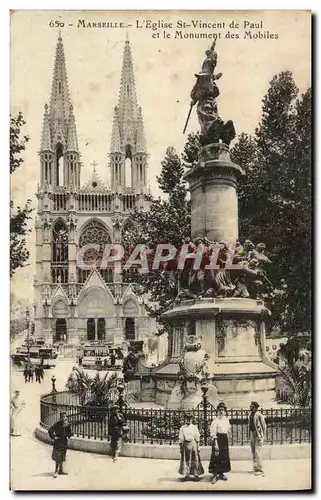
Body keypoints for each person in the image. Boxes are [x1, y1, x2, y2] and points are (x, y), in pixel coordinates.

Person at [209, 402, 231, 483]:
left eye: (222, 410)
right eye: (219, 410)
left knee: (223, 456)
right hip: (218, 439)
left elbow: (228, 429)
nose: (221, 411)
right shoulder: (215, 421)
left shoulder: (226, 420)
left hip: (224, 439)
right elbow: (213, 433)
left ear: (225, 412)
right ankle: (215, 475)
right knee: (216, 457)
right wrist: (215, 443)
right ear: (217, 411)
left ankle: (221, 473)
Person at [178, 413, 204, 481]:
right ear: (185, 419)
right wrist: (181, 448)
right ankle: (187, 474)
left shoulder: (194, 427)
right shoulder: (182, 428)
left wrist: (198, 447)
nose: (188, 420)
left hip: (193, 444)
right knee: (186, 460)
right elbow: (181, 439)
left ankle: (196, 474)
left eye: (190, 418)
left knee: (195, 459)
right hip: (186, 445)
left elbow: (197, 437)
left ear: (192, 419)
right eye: (187, 418)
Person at [48, 412, 73, 478]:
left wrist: (68, 436)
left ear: (66, 417)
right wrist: (53, 437)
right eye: (62, 417)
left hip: (64, 442)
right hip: (58, 442)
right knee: (57, 457)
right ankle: (56, 471)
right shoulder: (57, 424)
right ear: (60, 418)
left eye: (64, 417)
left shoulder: (67, 424)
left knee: (62, 456)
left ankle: (61, 471)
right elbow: (50, 430)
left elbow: (70, 432)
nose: (63, 418)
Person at [248, 401, 266, 476]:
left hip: (258, 434)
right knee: (253, 450)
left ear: (256, 408)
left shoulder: (259, 415)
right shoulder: (250, 414)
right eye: (250, 407)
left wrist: (262, 435)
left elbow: (264, 425)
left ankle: (260, 468)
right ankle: (255, 468)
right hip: (252, 433)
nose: (251, 408)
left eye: (253, 407)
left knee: (257, 451)